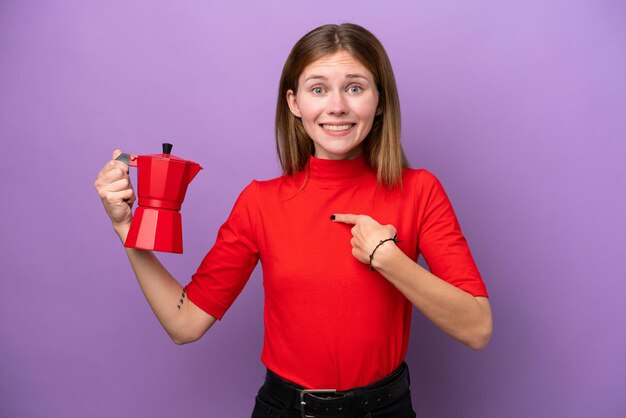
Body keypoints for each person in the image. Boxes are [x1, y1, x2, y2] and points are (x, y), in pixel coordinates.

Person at [94, 23, 492, 418]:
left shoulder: (420, 191)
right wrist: (127, 230)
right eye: (318, 89)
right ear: (294, 103)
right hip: (286, 410)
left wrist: (388, 258)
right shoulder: (260, 202)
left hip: (385, 409)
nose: (337, 106)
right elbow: (184, 323)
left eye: (355, 87)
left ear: (380, 101)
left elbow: (477, 327)